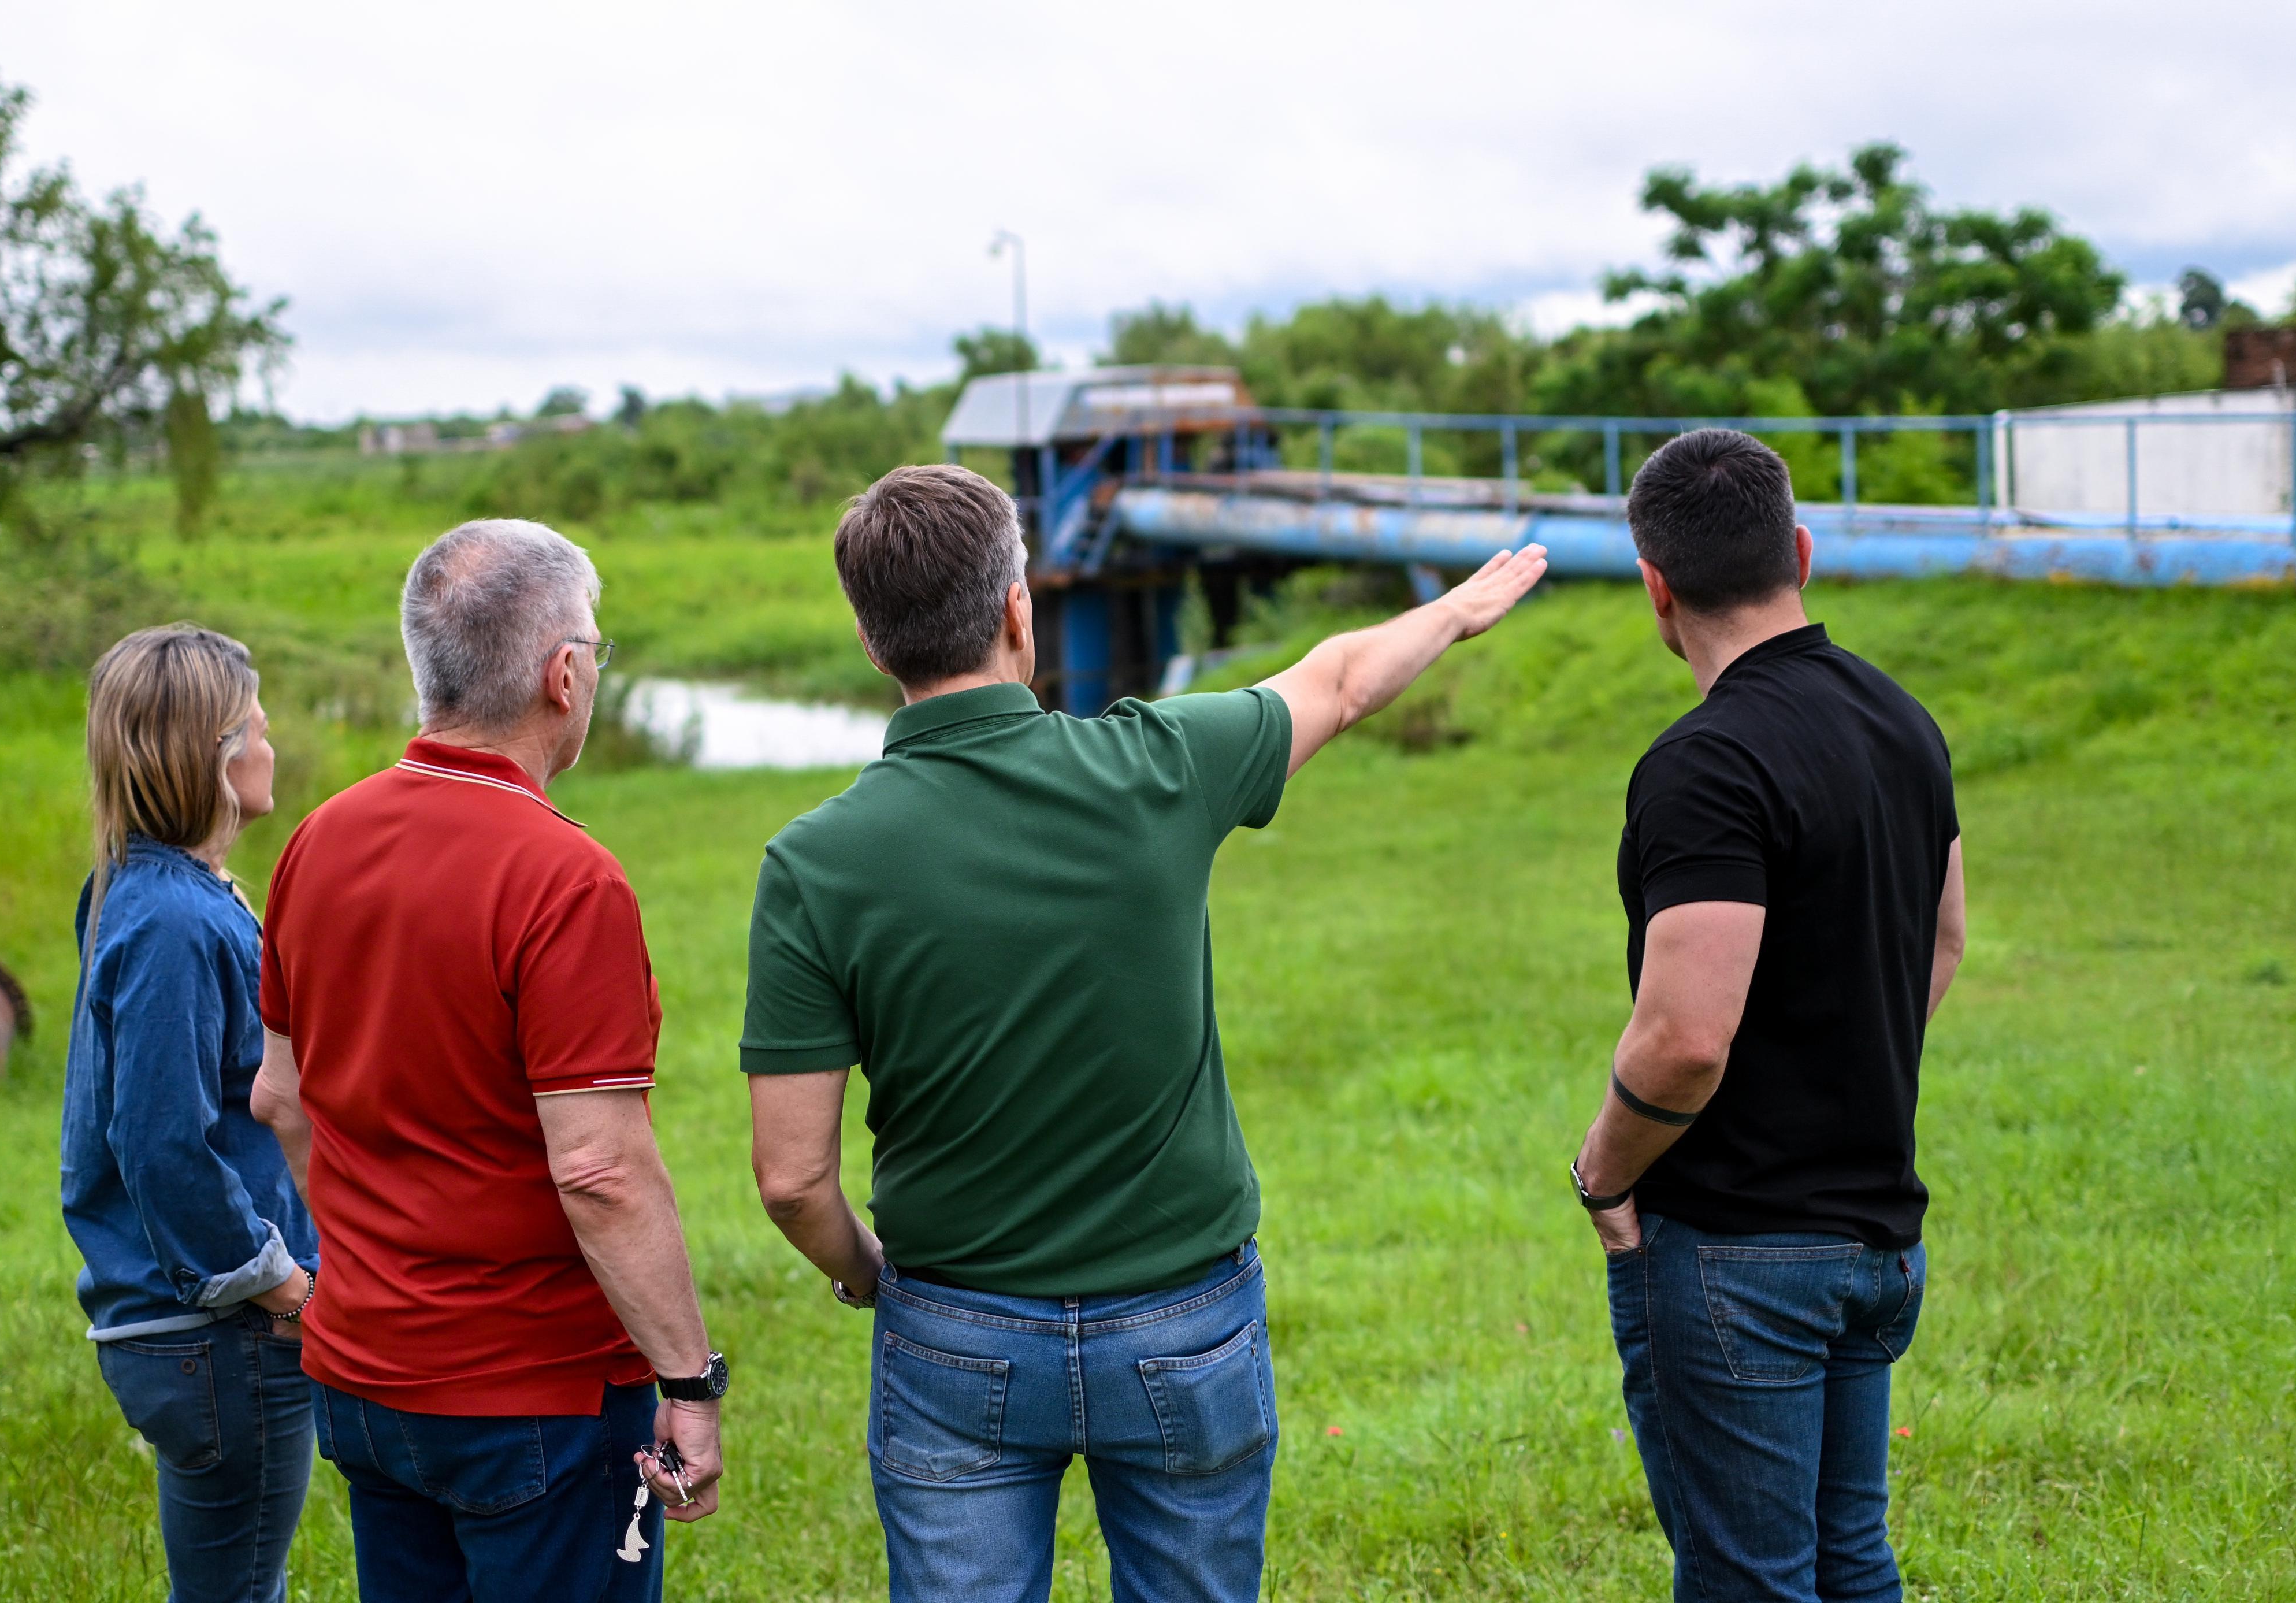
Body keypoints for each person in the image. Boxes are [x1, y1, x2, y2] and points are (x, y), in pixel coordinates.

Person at [742, 462, 1550, 1602]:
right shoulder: (1160, 761)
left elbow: (791, 1180)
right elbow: (1339, 681)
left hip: (954, 1332)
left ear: (873, 643)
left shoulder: (812, 862)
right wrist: (1455, 610)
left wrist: (868, 1275)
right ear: (1017, 608)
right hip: (1185, 1322)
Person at [247, 520, 723, 1603]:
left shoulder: (317, 841)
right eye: (594, 647)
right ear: (564, 675)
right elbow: (600, 1170)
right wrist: (690, 1380)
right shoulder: (567, 878)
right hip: (533, 1396)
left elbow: (282, 1096)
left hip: (363, 1376)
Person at [1570, 429, 1968, 1602]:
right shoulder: (1904, 720)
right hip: (1877, 1242)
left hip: (1739, 1255)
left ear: (1656, 586)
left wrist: (1604, 1171)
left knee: (1749, 1580)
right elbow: (1941, 939)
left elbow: (1686, 1038)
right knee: (1850, 1561)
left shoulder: (1706, 763)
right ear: (1799, 550)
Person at [62, 624, 318, 1603]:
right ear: (216, 756)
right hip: (218, 1332)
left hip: (198, 1331)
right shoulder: (172, 919)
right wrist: (281, 1286)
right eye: (258, 726)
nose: (271, 743)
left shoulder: (146, 887)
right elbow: (160, 1138)